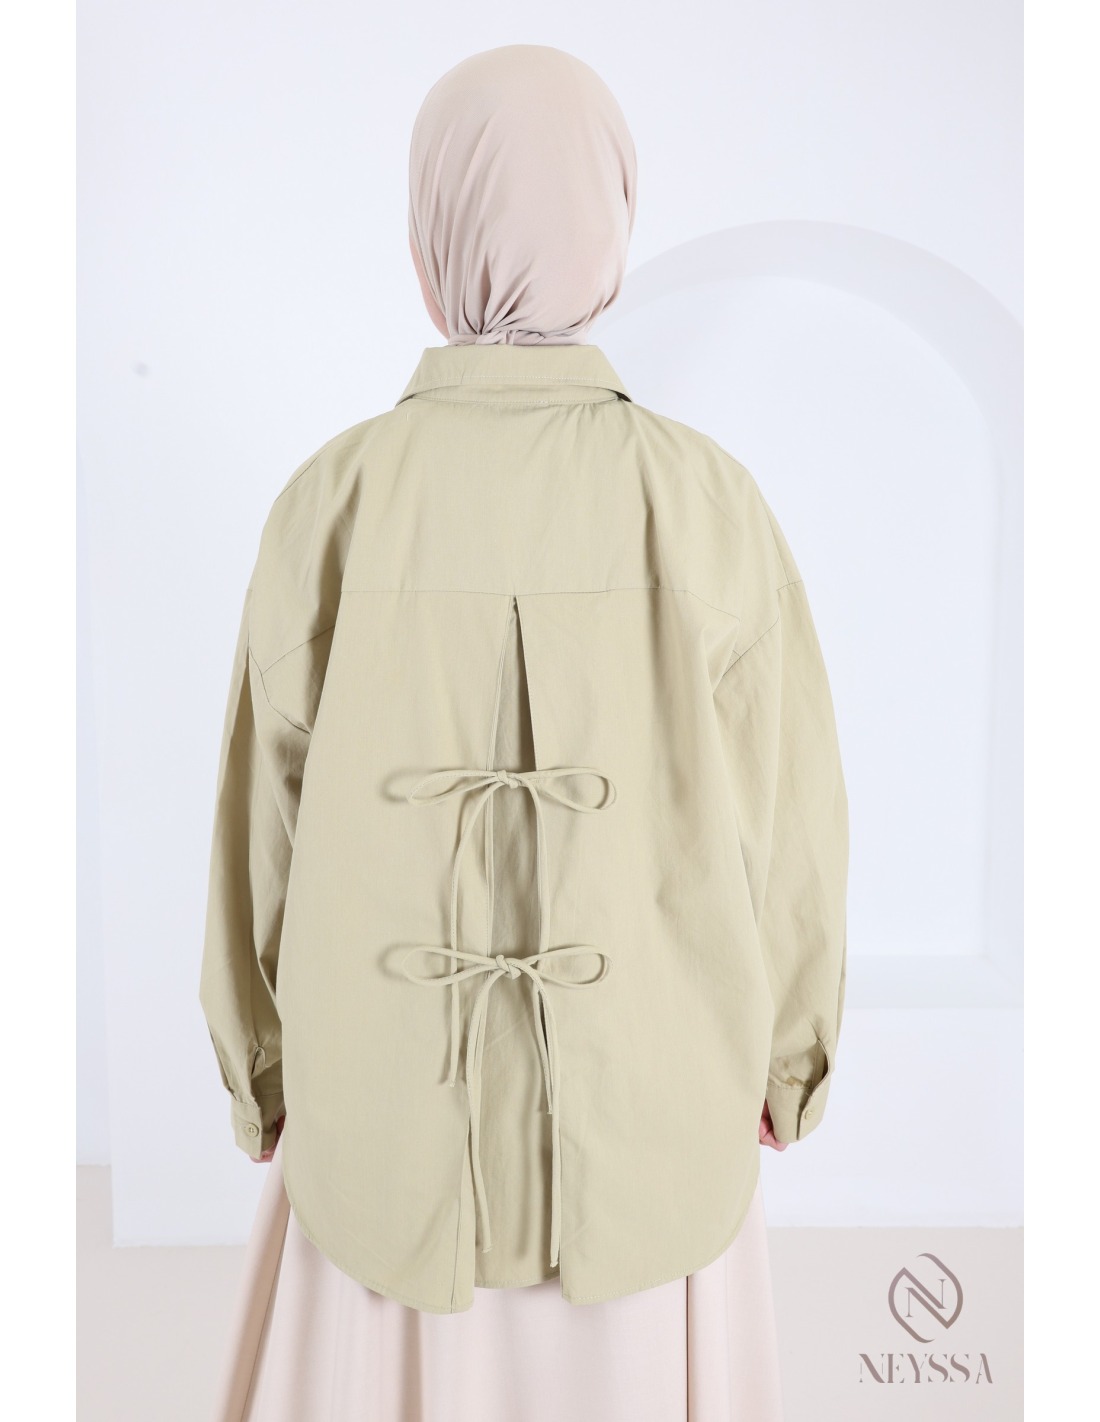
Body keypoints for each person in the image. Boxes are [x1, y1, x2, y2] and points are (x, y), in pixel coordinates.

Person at [201, 42, 847, 1422]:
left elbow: (261, 820)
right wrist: (787, 1061)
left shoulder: (333, 499)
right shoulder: (707, 501)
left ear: (429, 242)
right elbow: (791, 822)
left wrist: (264, 1072)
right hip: (658, 1113)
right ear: (610, 229)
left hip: (379, 1134)